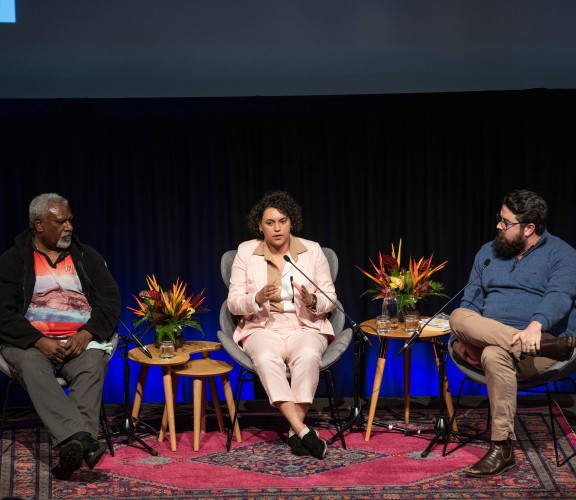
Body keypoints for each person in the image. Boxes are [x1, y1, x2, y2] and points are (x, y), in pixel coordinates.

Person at [449, 189, 576, 478]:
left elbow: (560, 295)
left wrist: (535, 325)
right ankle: (523, 344)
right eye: (499, 218)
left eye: (506, 222)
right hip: (537, 345)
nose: (498, 226)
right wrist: (472, 336)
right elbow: (470, 303)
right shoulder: (487, 253)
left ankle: (502, 447)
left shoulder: (562, 254)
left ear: (529, 228)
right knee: (458, 316)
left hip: (540, 337)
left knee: (494, 355)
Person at [0, 193, 121, 480]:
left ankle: (73, 449)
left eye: (70, 221)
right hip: (30, 344)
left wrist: (87, 333)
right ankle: (83, 442)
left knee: (94, 362)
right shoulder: (12, 260)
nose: (69, 227)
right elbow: (3, 313)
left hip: (79, 341)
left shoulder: (86, 257)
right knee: (31, 365)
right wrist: (39, 341)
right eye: (61, 221)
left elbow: (110, 301)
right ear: (39, 225)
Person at [227, 190, 335, 459]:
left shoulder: (312, 250)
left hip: (305, 326)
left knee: (309, 355)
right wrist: (257, 297)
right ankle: (302, 430)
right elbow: (233, 303)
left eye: (283, 221)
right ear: (259, 226)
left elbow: (330, 299)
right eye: (270, 222)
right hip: (263, 327)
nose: (277, 228)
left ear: (291, 222)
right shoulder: (246, 251)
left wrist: (312, 300)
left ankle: (294, 431)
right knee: (264, 358)